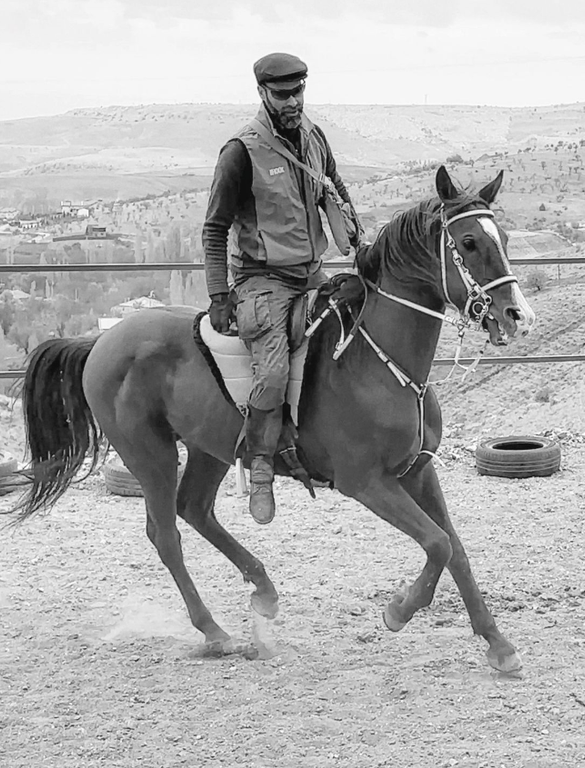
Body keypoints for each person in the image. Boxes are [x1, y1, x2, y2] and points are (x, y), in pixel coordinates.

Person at [202, 52, 358, 525]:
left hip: (312, 270)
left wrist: (357, 239)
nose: (294, 102)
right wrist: (218, 294)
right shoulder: (240, 151)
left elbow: (337, 189)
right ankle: (262, 464)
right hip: (261, 281)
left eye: (299, 92)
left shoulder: (314, 138)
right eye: (283, 94)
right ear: (263, 95)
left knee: (356, 332)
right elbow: (214, 228)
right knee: (270, 373)